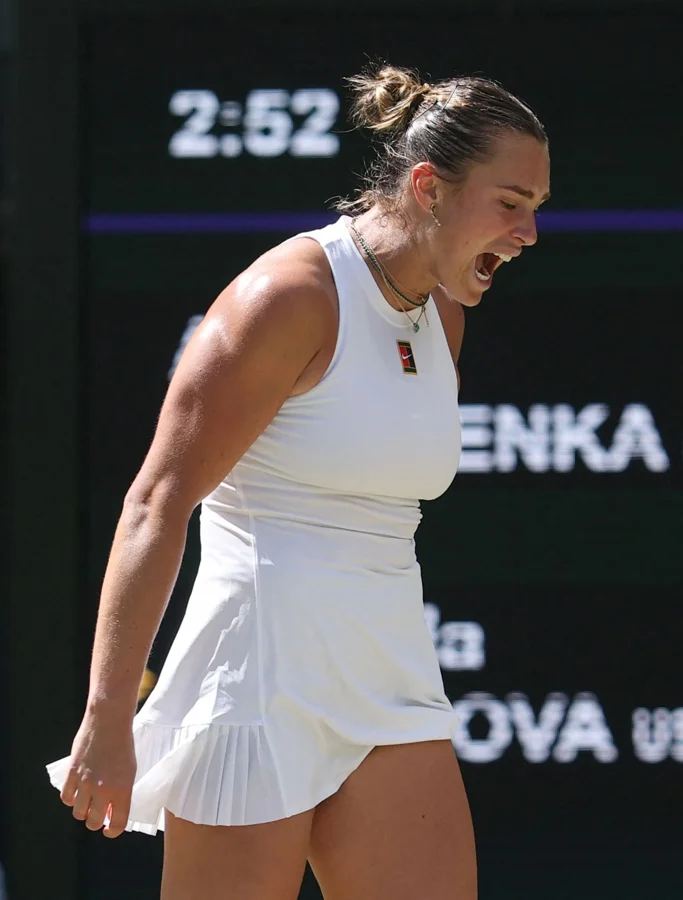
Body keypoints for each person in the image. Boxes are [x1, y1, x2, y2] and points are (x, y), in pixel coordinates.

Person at [47, 63, 550, 899]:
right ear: (427, 187)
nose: (528, 232)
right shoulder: (287, 298)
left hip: (389, 681)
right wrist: (108, 717)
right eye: (510, 203)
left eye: (536, 207)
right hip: (255, 683)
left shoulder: (443, 318)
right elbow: (156, 503)